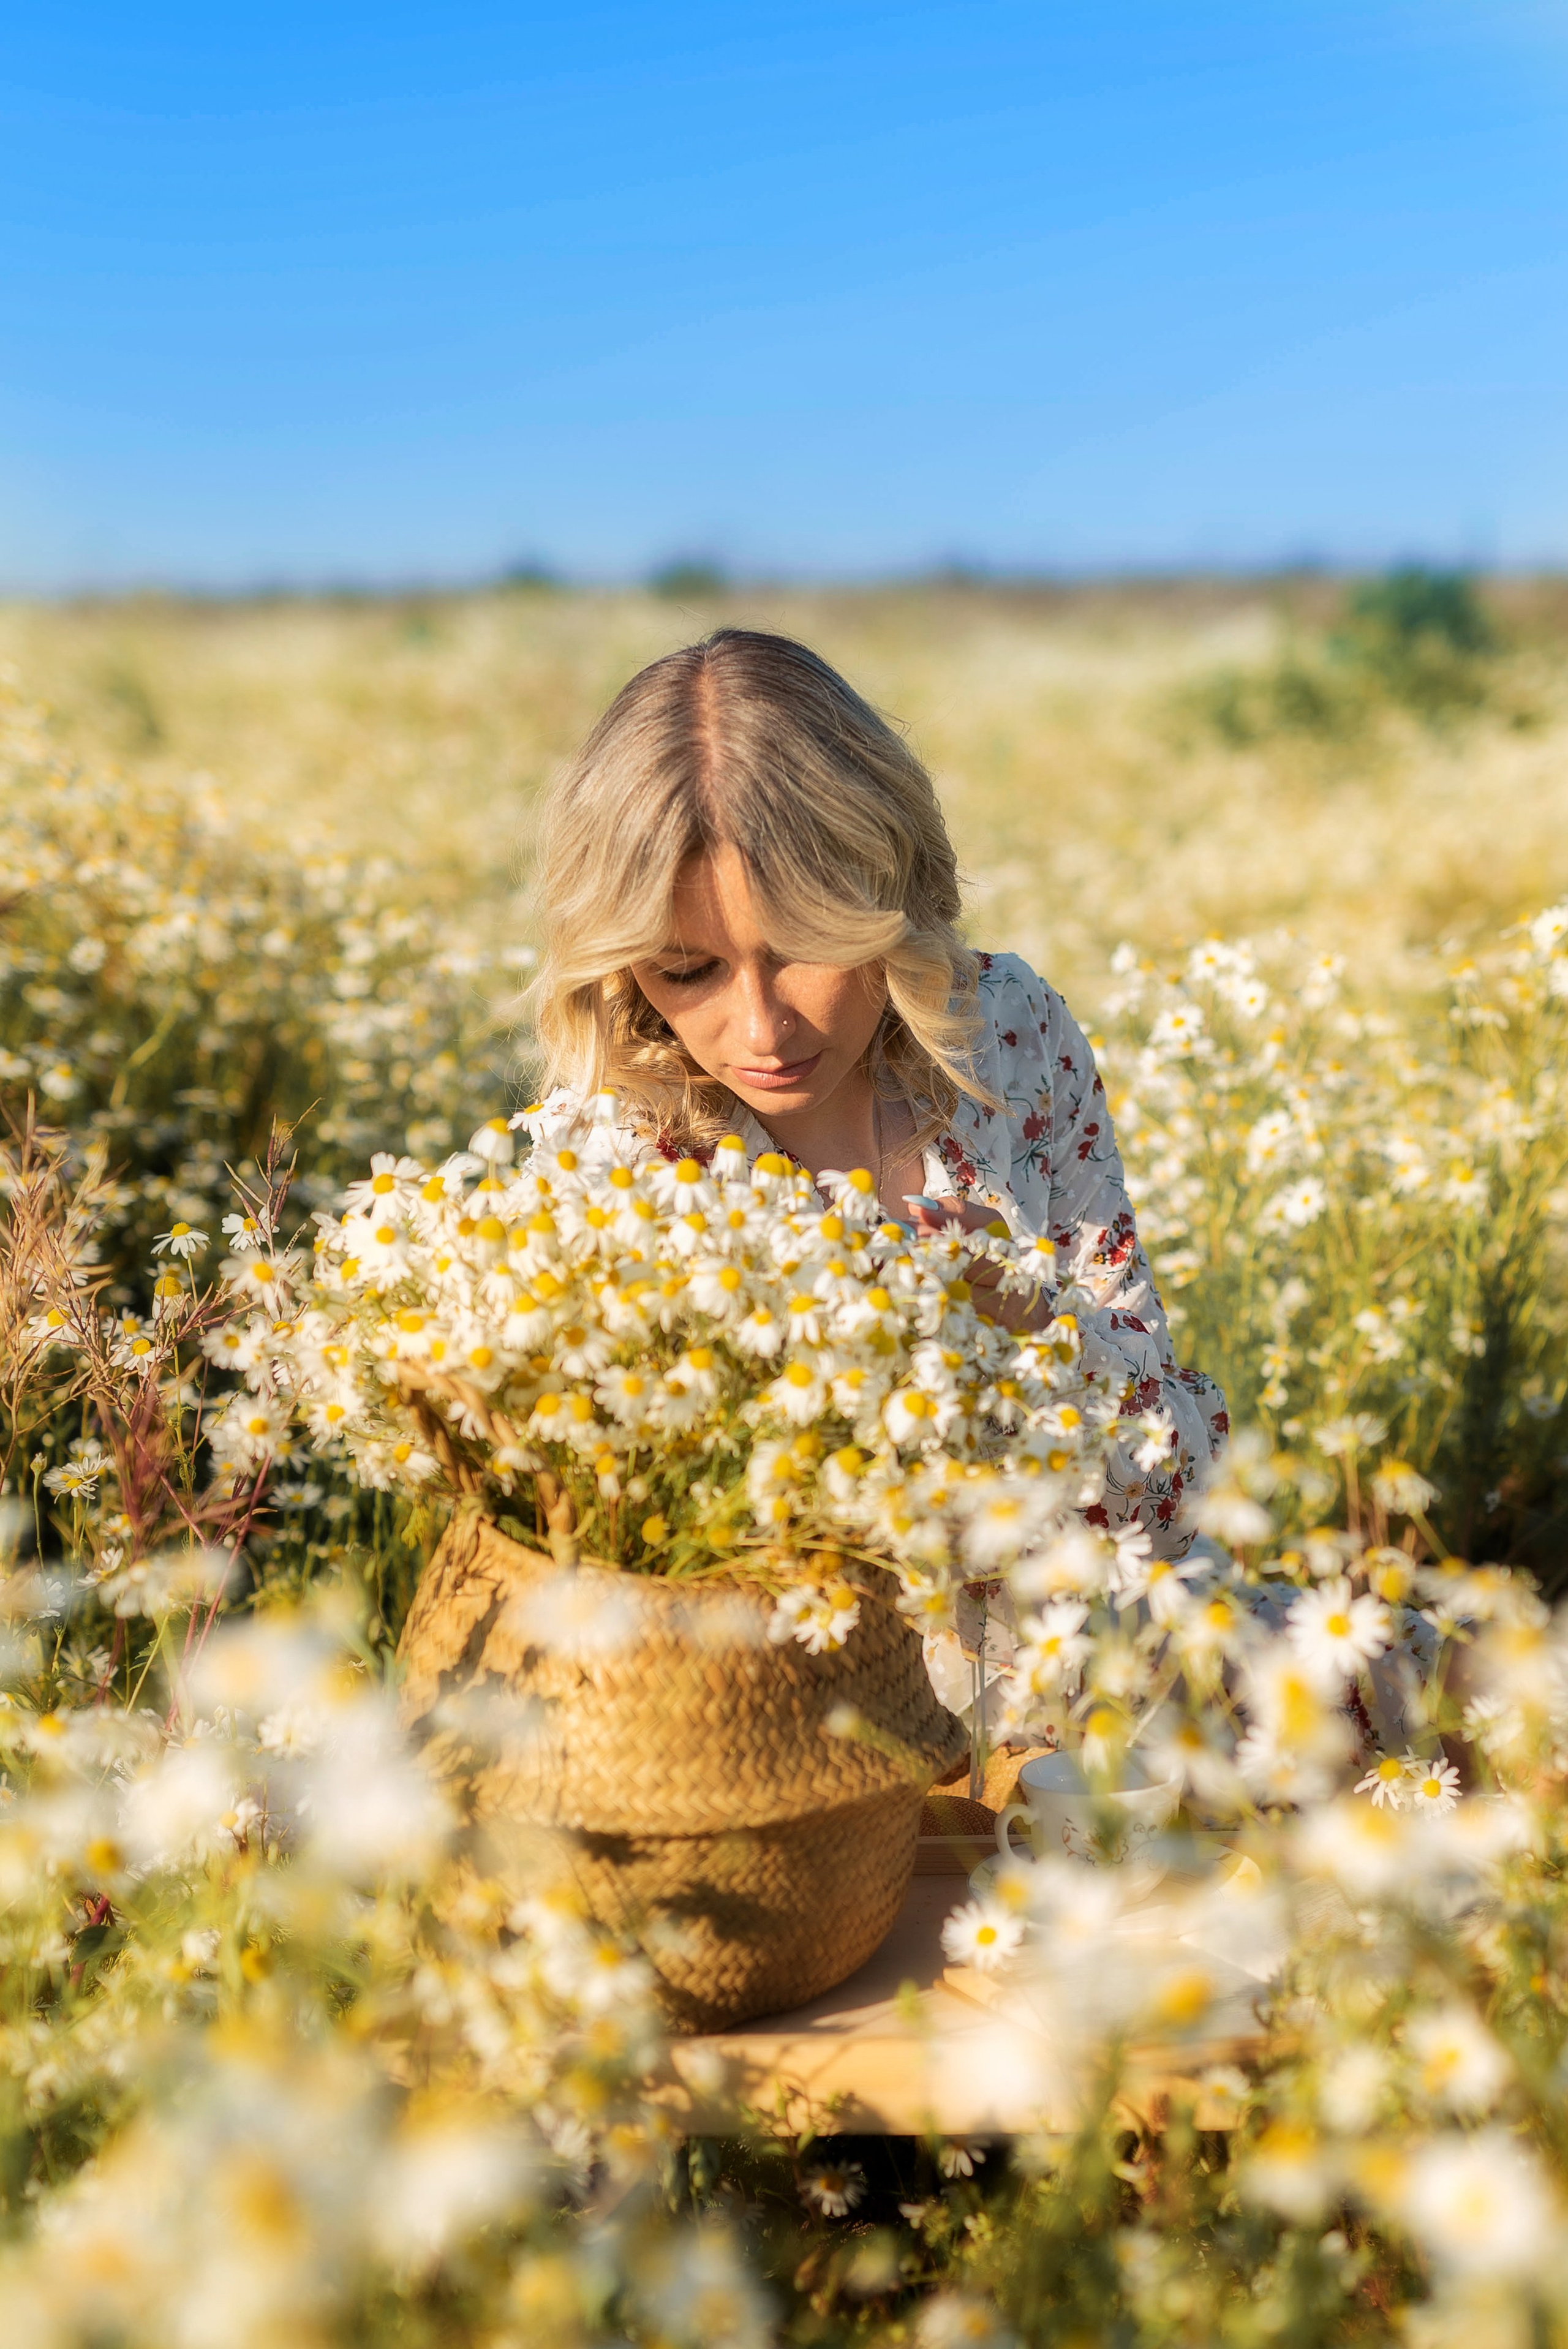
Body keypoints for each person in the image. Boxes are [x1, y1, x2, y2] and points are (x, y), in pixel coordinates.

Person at [524, 627, 1227, 1558]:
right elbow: (647, 1556)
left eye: (806, 949)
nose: (763, 1031)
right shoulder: (607, 1148)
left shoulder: (1008, 1034)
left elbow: (1181, 1493)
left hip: (1104, 1639)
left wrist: (1028, 1328)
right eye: (688, 970)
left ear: (891, 895)